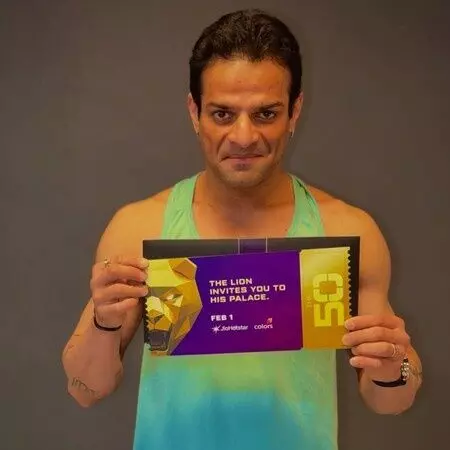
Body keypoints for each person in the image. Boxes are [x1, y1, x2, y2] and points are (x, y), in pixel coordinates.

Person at [61, 8, 423, 450]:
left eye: (266, 113)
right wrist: (102, 323)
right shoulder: (139, 228)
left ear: (295, 111)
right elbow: (85, 390)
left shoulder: (348, 230)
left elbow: (391, 401)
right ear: (194, 111)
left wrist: (393, 363)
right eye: (222, 114)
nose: (244, 137)